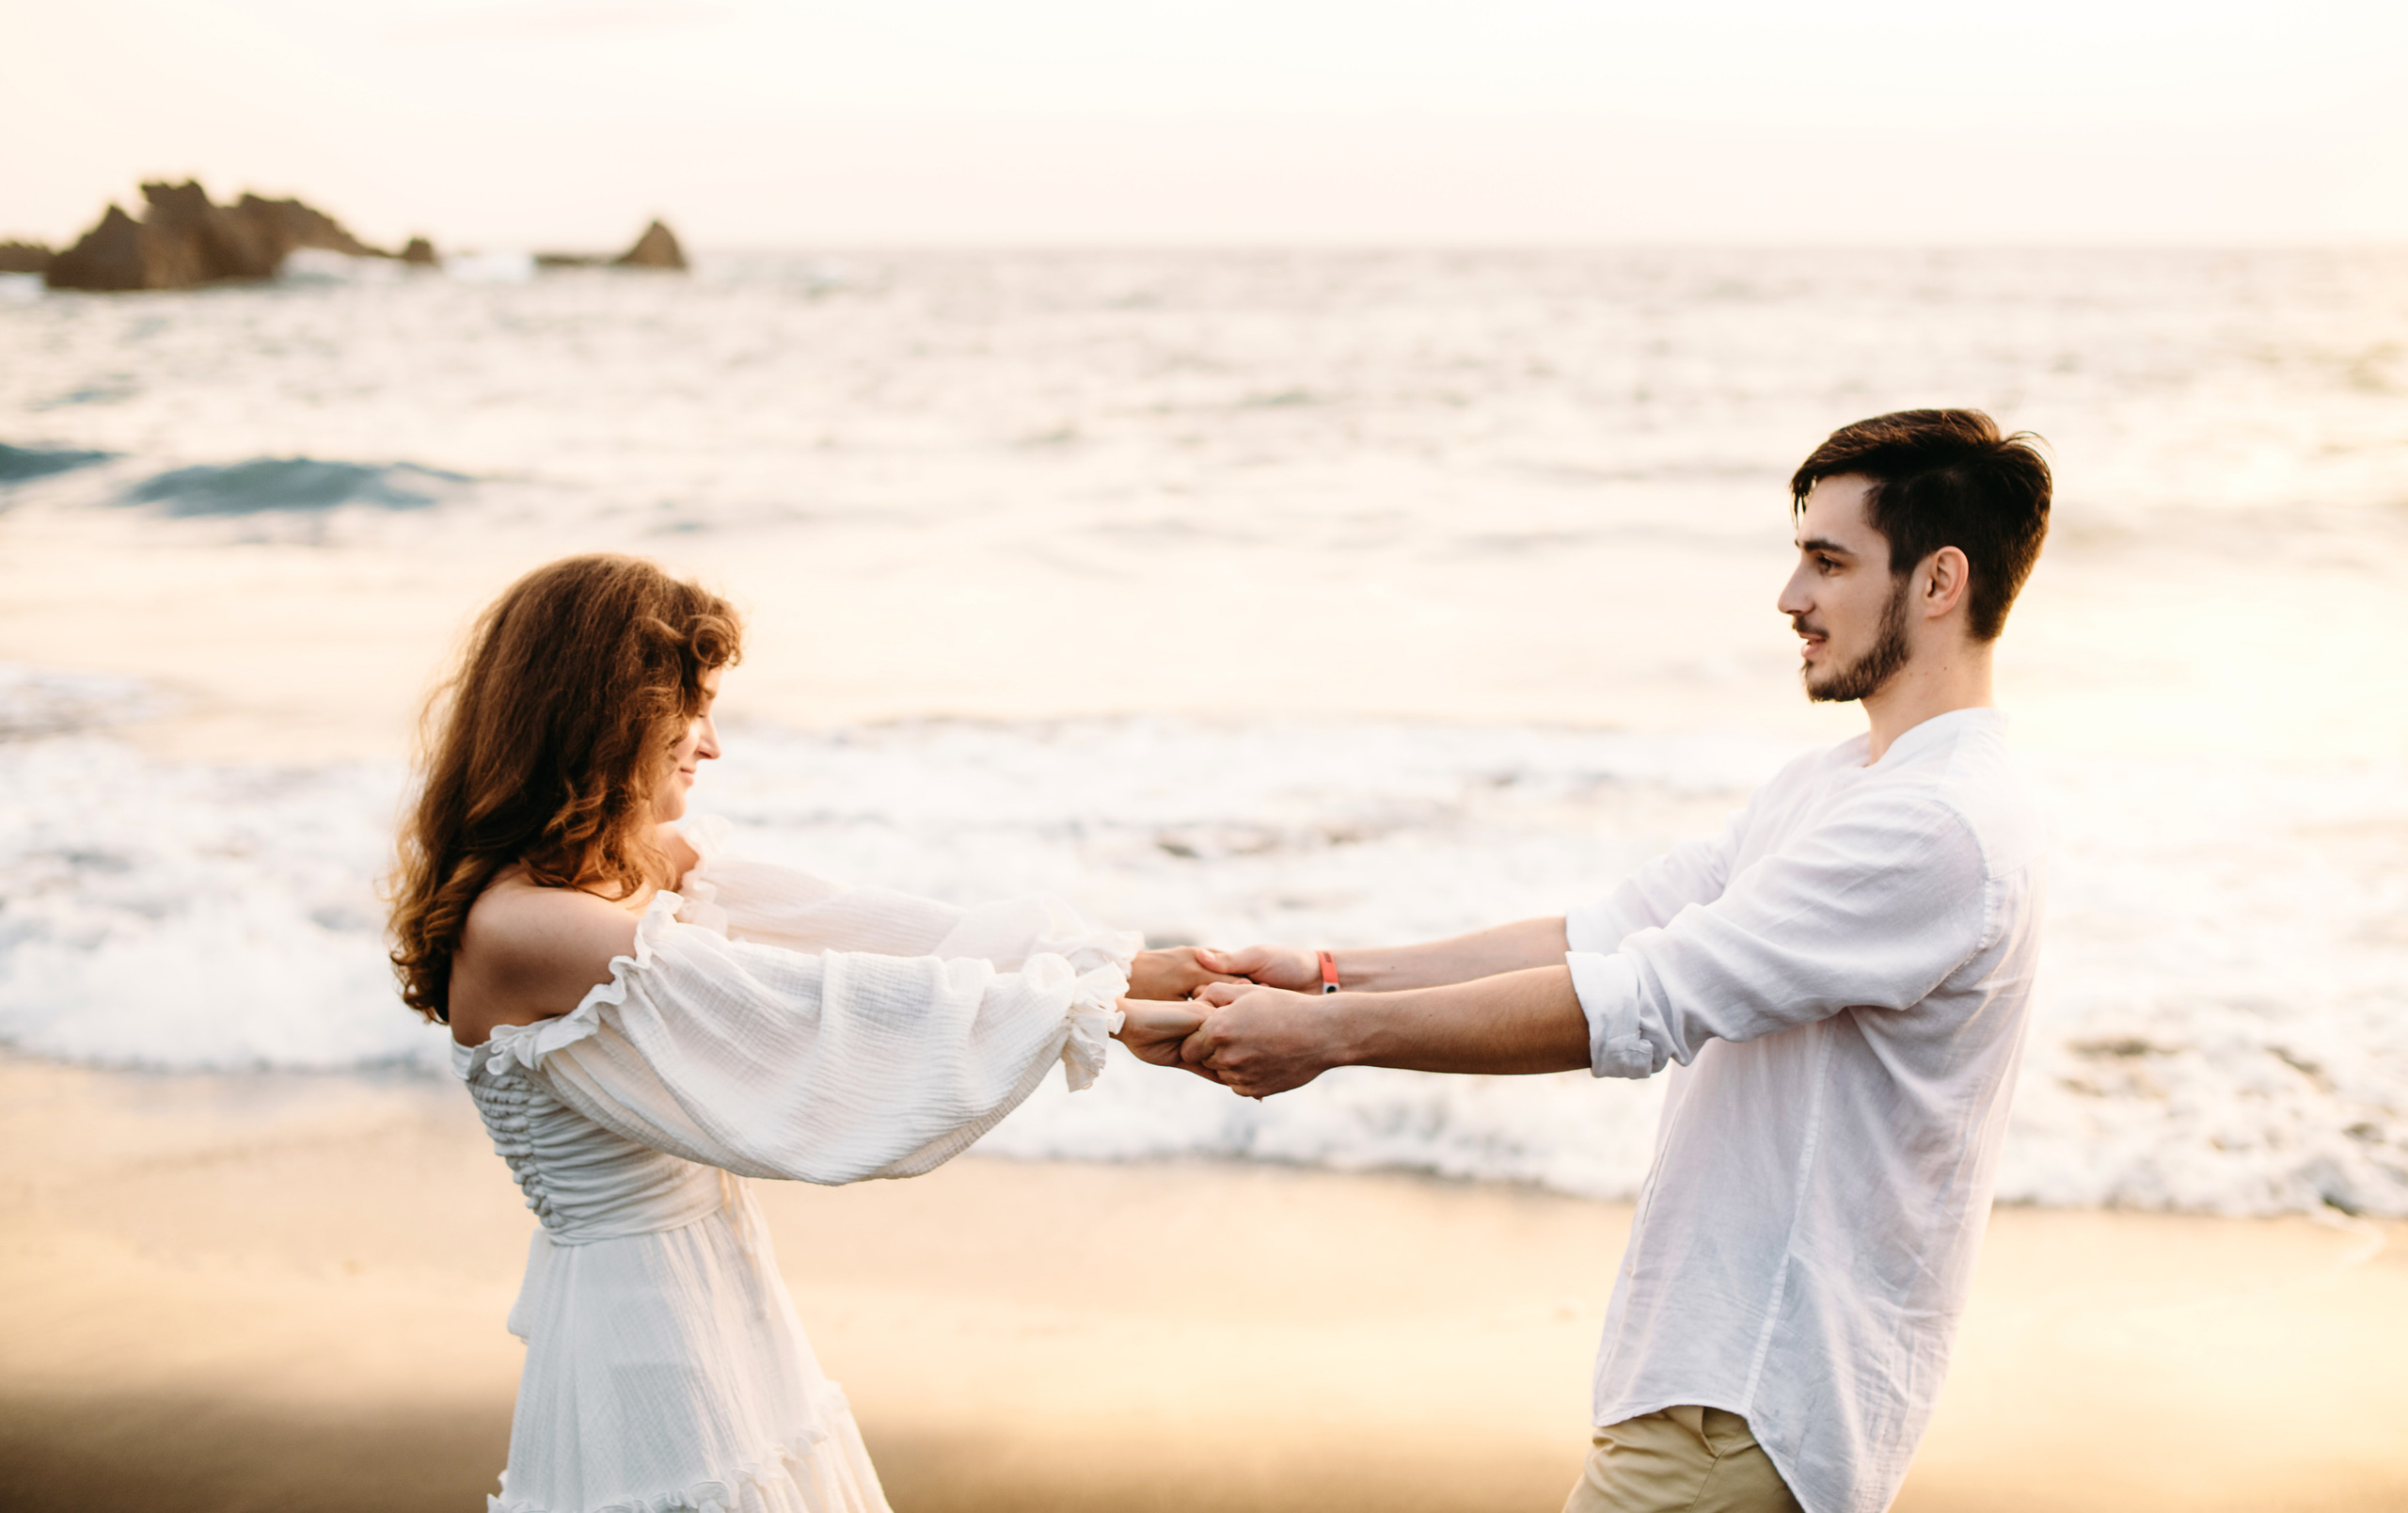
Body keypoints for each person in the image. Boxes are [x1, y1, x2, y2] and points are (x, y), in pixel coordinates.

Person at [1178, 409, 2053, 1513]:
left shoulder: (1933, 825)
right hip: (1712, 1392)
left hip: (1750, 1403)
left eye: (1828, 563)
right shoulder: (1839, 786)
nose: (1789, 596)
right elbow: (1604, 934)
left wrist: (1330, 1039)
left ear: (1938, 582)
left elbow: (1640, 1002)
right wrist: (1326, 973)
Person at [388, 553, 1213, 1513]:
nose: (711, 745)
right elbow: (803, 1005)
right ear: (610, 717)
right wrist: (1090, 1015)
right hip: (642, 1329)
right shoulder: (530, 926)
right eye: (693, 711)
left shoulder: (613, 871)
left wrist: (1108, 967)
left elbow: (857, 930)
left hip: (711, 1290)